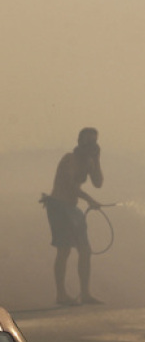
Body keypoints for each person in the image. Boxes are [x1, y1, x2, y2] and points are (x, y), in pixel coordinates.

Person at [42, 127, 105, 306]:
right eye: (89, 141)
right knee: (64, 250)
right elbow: (69, 185)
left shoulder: (90, 161)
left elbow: (98, 183)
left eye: (95, 142)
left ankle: (85, 293)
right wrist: (90, 199)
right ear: (80, 142)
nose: (92, 145)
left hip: (72, 208)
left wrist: (97, 160)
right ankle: (61, 295)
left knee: (85, 250)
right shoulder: (69, 159)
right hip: (58, 206)